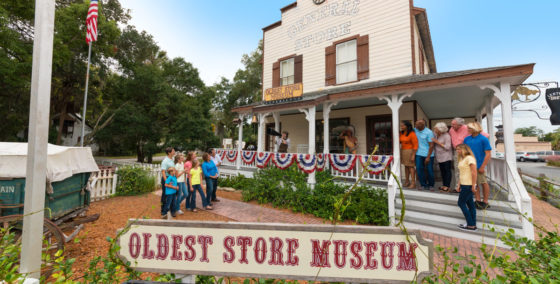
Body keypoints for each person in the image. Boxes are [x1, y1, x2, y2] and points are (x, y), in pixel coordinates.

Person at [464, 122, 492, 210]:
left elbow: (488, 154)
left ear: (475, 129)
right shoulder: (466, 139)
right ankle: (478, 200)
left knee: (483, 183)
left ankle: (485, 201)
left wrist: (483, 166)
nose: (467, 130)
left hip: (479, 165)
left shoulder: (483, 139)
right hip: (469, 165)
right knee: (474, 184)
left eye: (469, 128)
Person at [455, 144, 478, 231]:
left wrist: (473, 185)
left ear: (464, 149)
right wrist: (458, 184)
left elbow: (474, 173)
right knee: (470, 204)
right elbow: (462, 173)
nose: (457, 151)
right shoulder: (461, 159)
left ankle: (470, 224)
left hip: (468, 185)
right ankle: (473, 224)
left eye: (459, 149)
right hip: (463, 184)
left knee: (461, 203)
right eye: (457, 149)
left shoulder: (469, 158)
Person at [449, 118, 470, 192]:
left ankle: (468, 188)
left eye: (453, 124)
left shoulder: (467, 128)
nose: (452, 126)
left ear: (460, 125)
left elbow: (484, 135)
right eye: (452, 124)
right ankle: (458, 187)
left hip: (466, 151)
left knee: (467, 169)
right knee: (457, 169)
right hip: (456, 151)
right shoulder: (451, 130)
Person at [414, 119, 435, 190]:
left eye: (416, 124)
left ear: (422, 125)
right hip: (418, 154)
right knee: (419, 170)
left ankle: (431, 185)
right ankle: (423, 184)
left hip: (428, 154)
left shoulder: (429, 132)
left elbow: (431, 145)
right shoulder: (416, 130)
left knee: (430, 170)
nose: (415, 125)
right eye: (415, 124)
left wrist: (428, 157)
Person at [432, 122, 453, 192]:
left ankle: (447, 186)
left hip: (446, 156)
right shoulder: (436, 135)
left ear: (440, 129)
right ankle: (444, 185)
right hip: (439, 156)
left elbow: (448, 147)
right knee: (442, 172)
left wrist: (437, 142)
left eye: (436, 128)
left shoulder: (447, 136)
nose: (434, 129)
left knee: (447, 171)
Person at [399, 121, 418, 188]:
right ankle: (407, 181)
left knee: (411, 167)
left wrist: (413, 155)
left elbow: (415, 145)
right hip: (403, 151)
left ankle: (413, 183)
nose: (401, 127)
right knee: (406, 166)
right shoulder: (402, 133)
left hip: (410, 151)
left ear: (407, 126)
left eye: (403, 125)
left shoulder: (412, 134)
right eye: (401, 125)